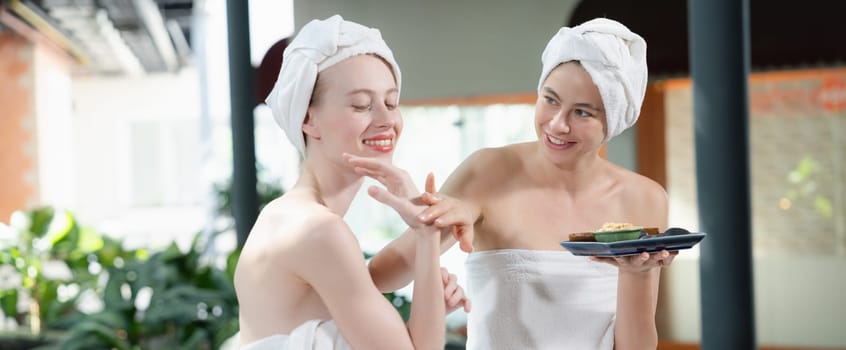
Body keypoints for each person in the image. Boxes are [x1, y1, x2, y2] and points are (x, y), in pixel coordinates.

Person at [364, 18, 676, 349]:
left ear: (612, 120)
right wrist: (426, 227)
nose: (557, 124)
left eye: (582, 113)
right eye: (551, 100)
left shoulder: (645, 198)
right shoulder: (489, 171)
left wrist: (636, 274)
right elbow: (381, 277)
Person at [234, 15, 467, 350]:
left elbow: (375, 276)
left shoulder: (285, 216)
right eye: (361, 105)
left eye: (391, 102)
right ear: (307, 119)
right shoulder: (319, 230)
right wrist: (427, 236)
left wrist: (432, 245)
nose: (387, 120)